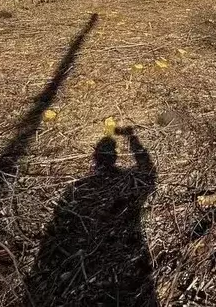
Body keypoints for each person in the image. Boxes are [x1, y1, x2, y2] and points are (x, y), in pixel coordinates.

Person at [27, 128, 157, 306]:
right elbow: (147, 169)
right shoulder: (84, 188)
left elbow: (147, 171)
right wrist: (131, 136)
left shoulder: (78, 188)